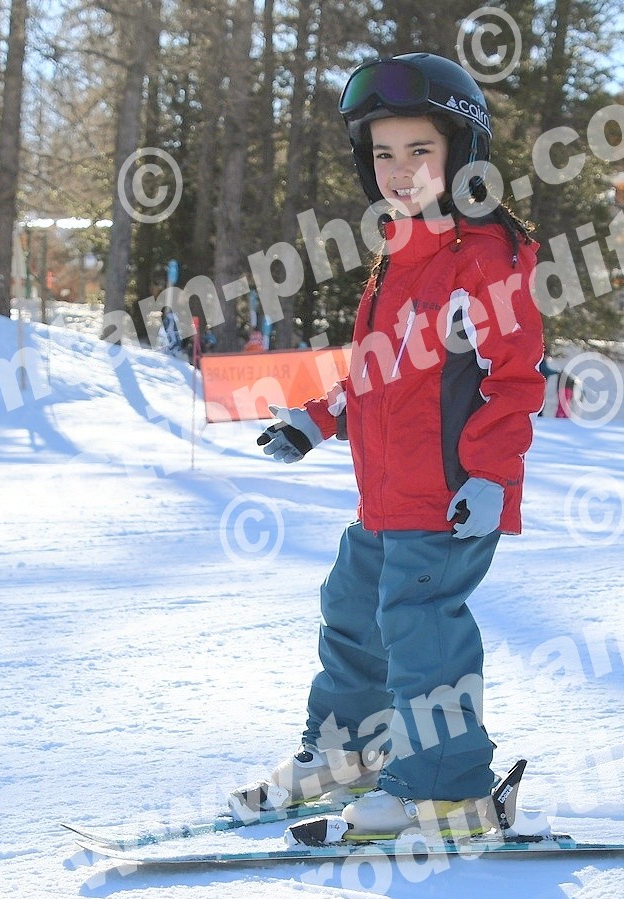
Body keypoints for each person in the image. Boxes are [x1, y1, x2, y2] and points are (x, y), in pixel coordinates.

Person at [236, 53, 545, 847]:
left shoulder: (483, 260)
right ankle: (350, 750)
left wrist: (491, 476)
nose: (399, 171)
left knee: (422, 634)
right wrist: (316, 419)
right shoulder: (399, 257)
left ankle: (445, 791)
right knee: (352, 613)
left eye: (419, 151)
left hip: (446, 501)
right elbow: (375, 373)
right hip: (384, 500)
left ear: (461, 155)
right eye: (383, 153)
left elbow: (514, 380)